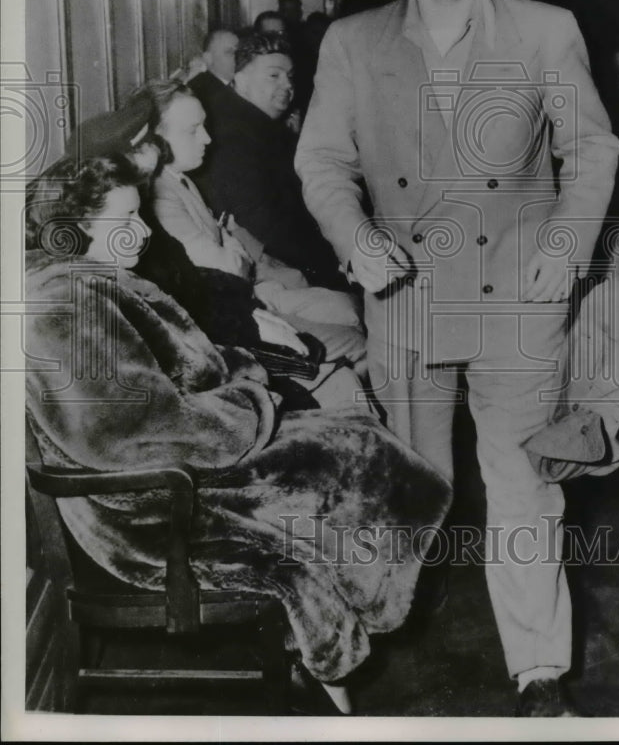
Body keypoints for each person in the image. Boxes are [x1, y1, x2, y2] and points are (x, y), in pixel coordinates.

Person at [295, 0, 619, 716]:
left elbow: (591, 150)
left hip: (518, 296)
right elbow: (322, 161)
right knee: (415, 486)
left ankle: (538, 673)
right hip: (406, 298)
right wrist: (356, 238)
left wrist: (566, 244)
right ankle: (370, 639)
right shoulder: (353, 42)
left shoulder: (543, 29)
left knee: (525, 487)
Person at [24, 154, 452, 712]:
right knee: (355, 454)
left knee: (356, 439)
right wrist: (250, 401)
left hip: (181, 469)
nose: (143, 230)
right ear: (76, 228)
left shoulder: (89, 283)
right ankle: (341, 653)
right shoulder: (64, 306)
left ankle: (342, 646)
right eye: (125, 218)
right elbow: (128, 435)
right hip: (149, 510)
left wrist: (242, 368)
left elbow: (172, 374)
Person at [146, 79, 365, 365]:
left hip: (250, 292)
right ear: (156, 140)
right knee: (356, 341)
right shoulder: (161, 196)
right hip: (232, 322)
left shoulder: (181, 179)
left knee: (353, 308)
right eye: (193, 130)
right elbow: (225, 268)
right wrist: (232, 251)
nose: (207, 139)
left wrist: (231, 250)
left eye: (204, 126)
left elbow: (230, 247)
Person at [192, 32, 350, 290]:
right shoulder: (233, 138)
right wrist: (334, 261)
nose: (287, 85)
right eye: (274, 75)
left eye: (290, 76)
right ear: (240, 79)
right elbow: (268, 227)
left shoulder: (257, 125)